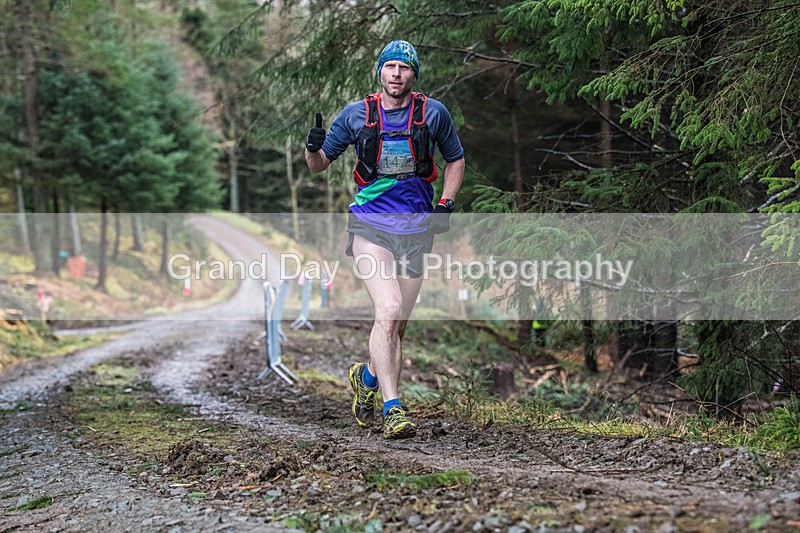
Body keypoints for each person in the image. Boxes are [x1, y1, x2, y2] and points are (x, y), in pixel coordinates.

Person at [304, 40, 465, 439]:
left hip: (416, 229)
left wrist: (445, 204)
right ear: (380, 71)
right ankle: (393, 409)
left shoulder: (433, 113)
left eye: (404, 67)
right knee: (389, 309)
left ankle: (367, 377)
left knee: (396, 327)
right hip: (370, 225)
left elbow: (455, 159)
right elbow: (319, 165)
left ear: (413, 74)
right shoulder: (356, 115)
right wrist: (311, 147)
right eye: (390, 66)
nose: (396, 73)